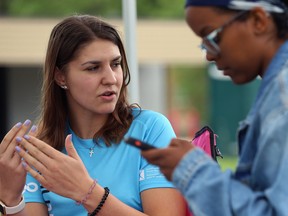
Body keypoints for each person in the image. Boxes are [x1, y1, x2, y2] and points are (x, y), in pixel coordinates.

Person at [0, 15, 186, 216]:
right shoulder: (41, 148)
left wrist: (86, 192)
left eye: (115, 64)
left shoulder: (150, 129)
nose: (111, 78)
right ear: (60, 76)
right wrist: (10, 199)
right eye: (93, 68)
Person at [142, 0, 288, 215]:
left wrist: (193, 171)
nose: (209, 55)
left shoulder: (283, 98)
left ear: (258, 21)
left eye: (211, 37)